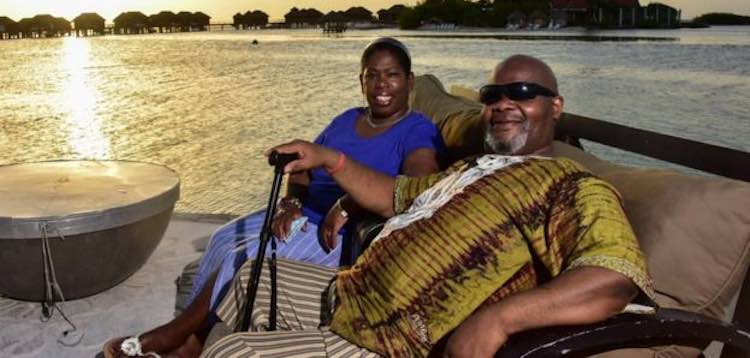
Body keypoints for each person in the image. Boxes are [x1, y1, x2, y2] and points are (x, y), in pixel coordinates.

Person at [200, 54, 655, 358]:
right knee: (249, 278)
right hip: (355, 297)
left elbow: (614, 275)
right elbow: (393, 194)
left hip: (393, 339)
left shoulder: (569, 184)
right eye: (492, 95)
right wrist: (329, 160)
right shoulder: (474, 168)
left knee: (232, 352)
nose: (503, 104)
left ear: (555, 106)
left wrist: (499, 320)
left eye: (521, 92)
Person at [103, 37, 444, 358]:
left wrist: (349, 203)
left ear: (409, 81)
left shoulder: (416, 129)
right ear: (361, 81)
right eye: (372, 75)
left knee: (245, 256)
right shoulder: (348, 119)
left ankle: (172, 337)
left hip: (337, 232)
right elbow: (302, 166)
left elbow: (418, 185)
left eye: (392, 75)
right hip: (303, 212)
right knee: (224, 238)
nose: (381, 84)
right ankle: (193, 338)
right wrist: (291, 202)